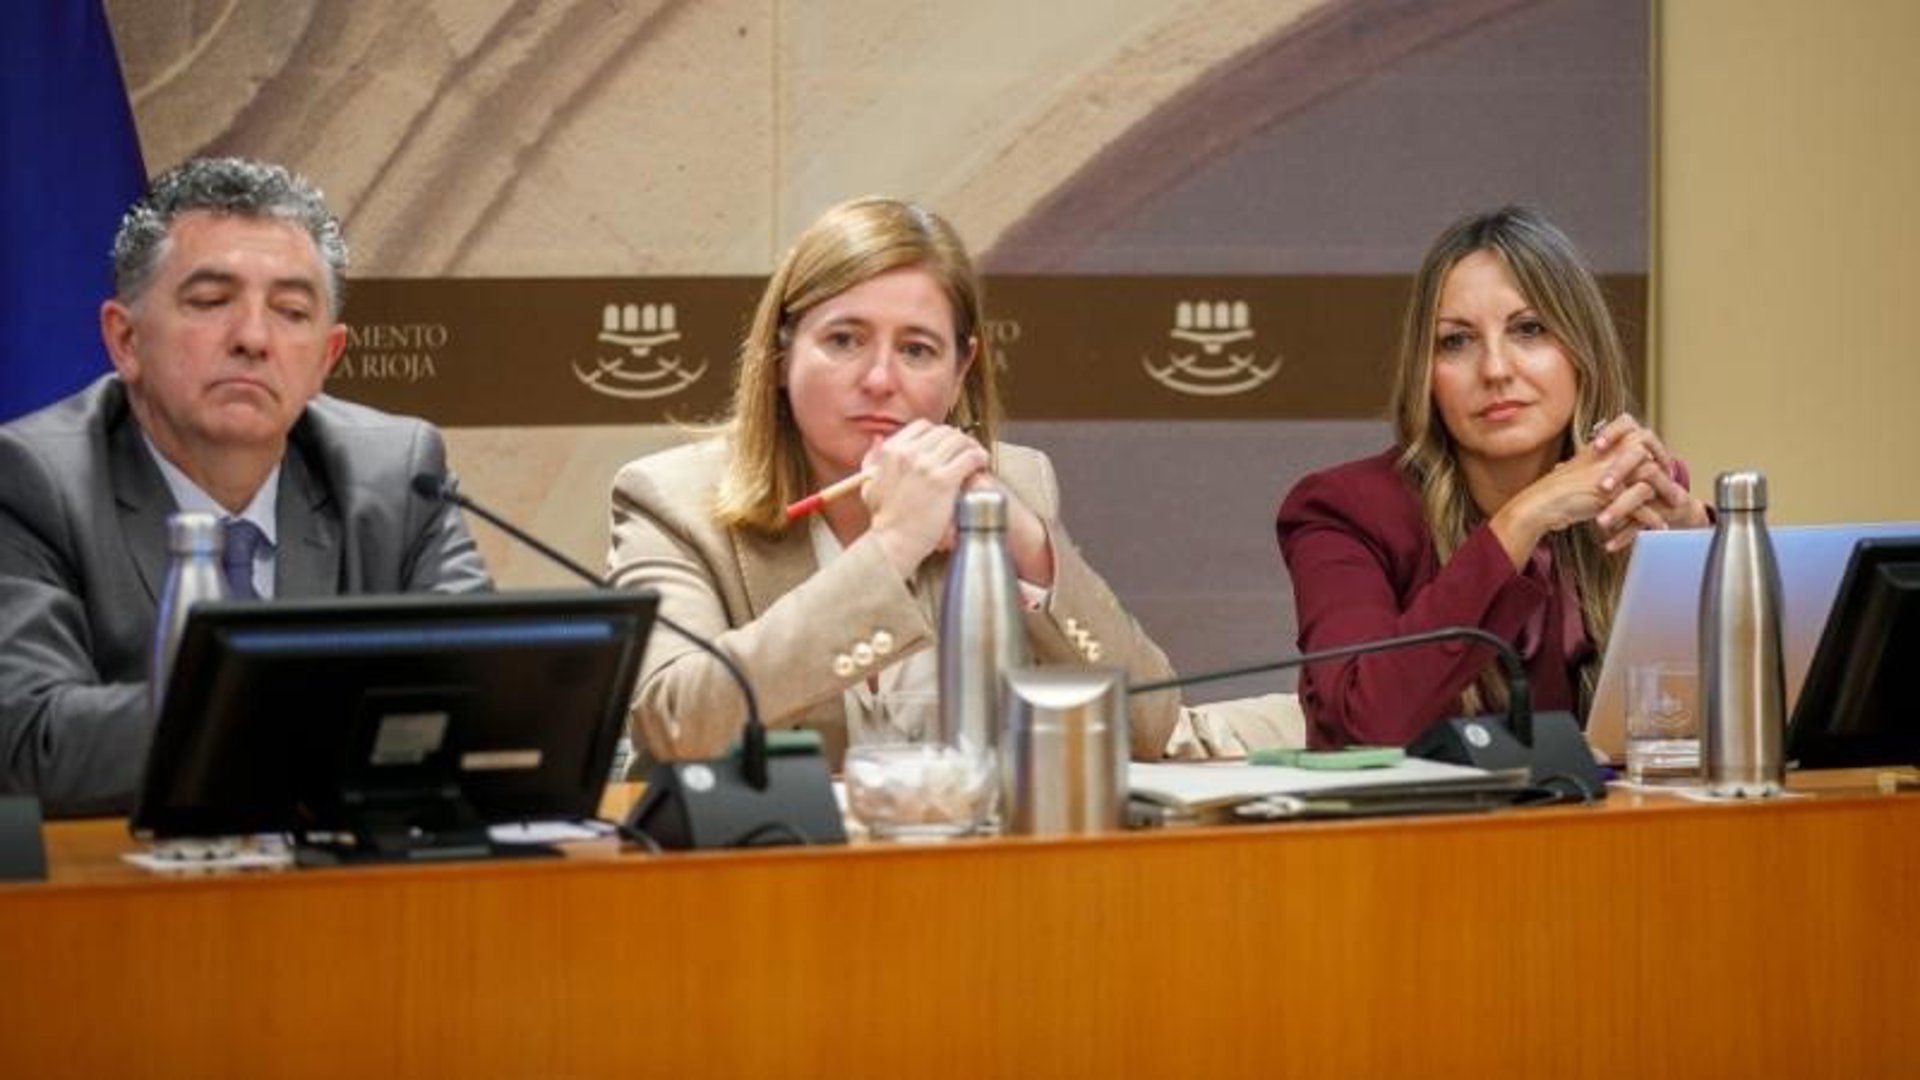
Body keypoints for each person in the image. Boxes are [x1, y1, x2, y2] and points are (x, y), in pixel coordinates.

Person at [608, 196, 1183, 765]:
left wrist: (1030, 547)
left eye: (916, 349)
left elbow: (1147, 729)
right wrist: (891, 546)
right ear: (781, 356)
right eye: (844, 340)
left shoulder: (1016, 483)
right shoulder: (672, 499)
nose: (881, 379)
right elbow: (675, 727)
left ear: (960, 371)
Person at [0, 157, 491, 816]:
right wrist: (322, 710)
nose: (254, 338)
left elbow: (477, 693)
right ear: (126, 340)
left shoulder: (398, 474)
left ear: (326, 358)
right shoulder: (30, 480)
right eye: (210, 302)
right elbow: (30, 743)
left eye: (290, 311)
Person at [1277, 206, 1709, 748]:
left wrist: (1699, 544)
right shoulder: (1344, 512)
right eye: (1456, 341)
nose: (1496, 370)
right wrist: (1523, 518)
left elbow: (1754, 717)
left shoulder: (1636, 495)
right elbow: (1361, 726)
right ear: (1425, 374)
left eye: (1529, 329)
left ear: (1583, 351)